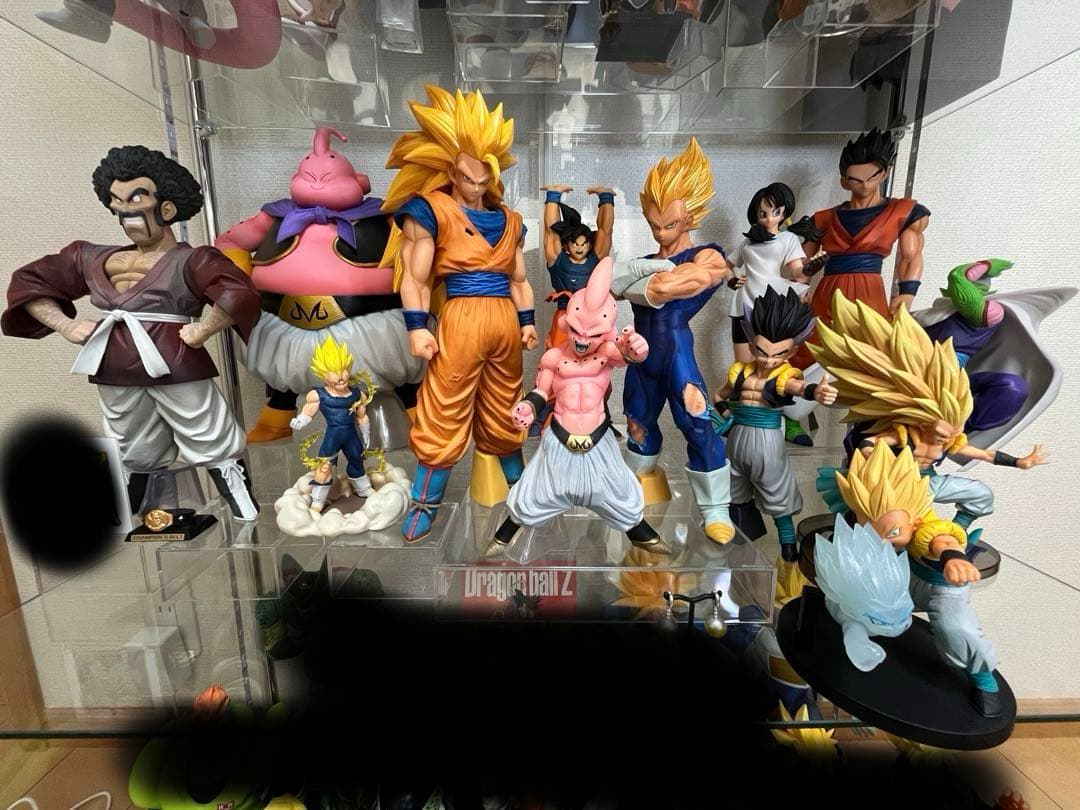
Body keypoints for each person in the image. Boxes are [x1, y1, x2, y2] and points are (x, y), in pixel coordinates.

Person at [2, 145, 261, 520]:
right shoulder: (90, 256)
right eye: (117, 201)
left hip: (174, 359)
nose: (126, 211)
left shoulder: (193, 259)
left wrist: (204, 329)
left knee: (206, 431)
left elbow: (237, 292)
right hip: (112, 361)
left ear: (166, 208)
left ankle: (241, 505)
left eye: (136, 199)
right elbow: (29, 283)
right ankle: (135, 515)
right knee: (131, 440)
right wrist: (66, 325)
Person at [382, 86, 538, 542]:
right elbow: (415, 279)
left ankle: (525, 496)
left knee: (509, 408)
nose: (476, 187)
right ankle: (425, 503)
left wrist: (528, 322)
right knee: (444, 409)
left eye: (484, 179)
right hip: (460, 319)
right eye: (469, 178)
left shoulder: (510, 220)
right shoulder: (430, 211)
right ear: (452, 170)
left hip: (504, 323)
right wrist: (416, 327)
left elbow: (519, 280)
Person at [609, 138, 737, 543]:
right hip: (641, 356)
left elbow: (673, 286)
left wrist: (634, 279)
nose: (661, 233)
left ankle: (715, 509)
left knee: (697, 423)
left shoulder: (709, 255)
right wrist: (639, 279)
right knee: (637, 421)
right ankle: (635, 490)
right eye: (654, 224)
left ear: (690, 218)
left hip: (677, 353)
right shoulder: (650, 260)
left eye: (670, 224)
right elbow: (609, 285)